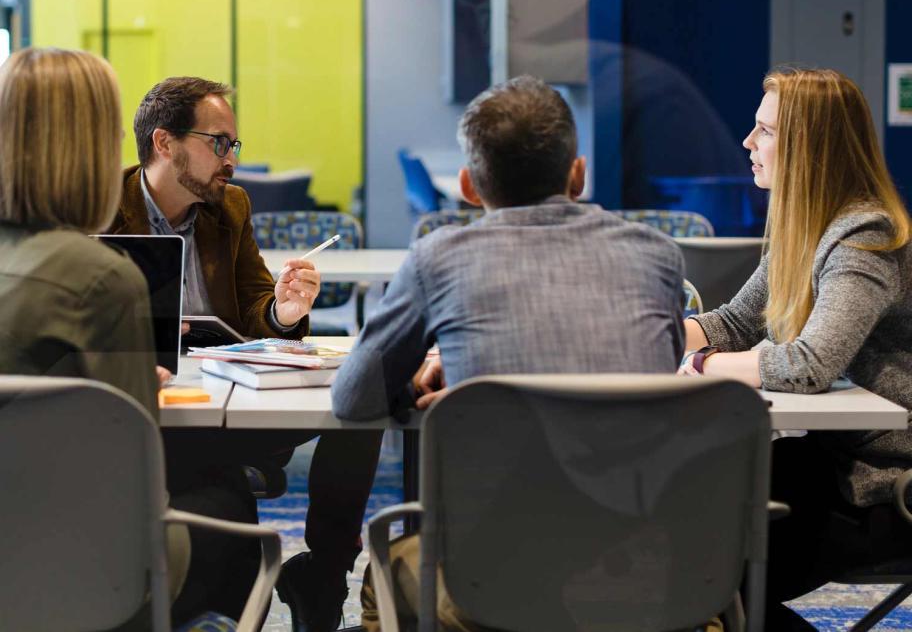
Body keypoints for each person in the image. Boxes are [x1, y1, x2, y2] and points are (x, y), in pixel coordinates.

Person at [331, 76, 687, 631]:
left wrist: (426, 384)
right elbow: (648, 384)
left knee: (384, 579)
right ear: (578, 173)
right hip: (652, 577)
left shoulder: (438, 258)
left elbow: (353, 400)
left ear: (469, 187)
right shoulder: (658, 257)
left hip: (493, 579)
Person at [110, 76, 381, 632]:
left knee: (361, 408)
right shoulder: (103, 206)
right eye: (220, 143)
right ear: (164, 143)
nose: (231, 159)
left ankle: (324, 577)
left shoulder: (228, 207)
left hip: (225, 398)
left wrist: (284, 311)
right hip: (145, 404)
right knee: (216, 488)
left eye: (234, 144)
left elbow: (259, 303)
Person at [0, 46, 252, 628]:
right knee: (228, 500)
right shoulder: (101, 281)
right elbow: (137, 473)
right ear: (83, 149)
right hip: (78, 565)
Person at [678, 68, 912, 631]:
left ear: (808, 147)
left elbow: (810, 365)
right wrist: (642, 336)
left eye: (765, 131)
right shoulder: (803, 223)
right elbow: (735, 321)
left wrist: (704, 365)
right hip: (827, 459)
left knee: (712, 559)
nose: (747, 142)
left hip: (876, 483)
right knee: (697, 529)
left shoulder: (864, 238)